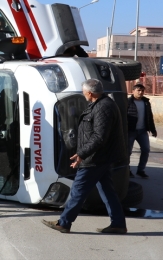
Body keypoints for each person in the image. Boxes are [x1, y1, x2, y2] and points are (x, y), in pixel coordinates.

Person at [42, 79, 127, 234]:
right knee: (107, 191)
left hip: (96, 158)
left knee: (78, 190)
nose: (83, 94)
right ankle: (118, 223)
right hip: (99, 157)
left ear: (90, 93)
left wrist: (82, 154)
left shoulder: (103, 107)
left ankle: (64, 223)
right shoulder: (99, 104)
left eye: (83, 92)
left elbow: (99, 137)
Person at [127, 83, 157, 179]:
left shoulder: (146, 102)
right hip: (130, 131)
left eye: (142, 91)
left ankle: (141, 170)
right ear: (133, 91)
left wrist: (153, 129)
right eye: (138, 90)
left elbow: (149, 117)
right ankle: (127, 171)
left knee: (146, 150)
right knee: (128, 152)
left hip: (142, 131)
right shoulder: (128, 102)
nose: (140, 92)